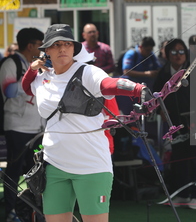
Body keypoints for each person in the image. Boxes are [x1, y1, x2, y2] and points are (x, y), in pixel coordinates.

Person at [21, 24, 149, 222]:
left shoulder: (89, 72)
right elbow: (27, 88)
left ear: (74, 48)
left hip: (91, 165)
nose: (62, 49)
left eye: (66, 44)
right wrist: (31, 69)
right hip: (54, 164)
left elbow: (109, 84)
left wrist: (138, 89)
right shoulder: (42, 78)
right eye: (56, 45)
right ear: (47, 51)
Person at [153, 38, 196, 210]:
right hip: (173, 123)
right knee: (179, 159)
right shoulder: (163, 73)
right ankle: (182, 195)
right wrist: (160, 111)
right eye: (174, 52)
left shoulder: (195, 70)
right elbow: (155, 97)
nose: (178, 56)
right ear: (167, 55)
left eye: (181, 51)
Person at [0, 28, 45, 222]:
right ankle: (11, 211)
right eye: (40, 45)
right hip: (17, 126)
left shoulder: (35, 64)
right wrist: (31, 77)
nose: (42, 49)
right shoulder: (11, 63)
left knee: (37, 171)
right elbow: (9, 90)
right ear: (30, 46)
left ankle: (33, 210)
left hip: (37, 127)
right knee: (14, 170)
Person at [117, 36, 160, 115]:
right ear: (141, 47)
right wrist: (146, 74)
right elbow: (126, 71)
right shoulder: (131, 54)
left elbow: (158, 68)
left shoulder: (150, 54)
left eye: (150, 50)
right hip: (130, 88)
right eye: (147, 50)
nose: (148, 52)